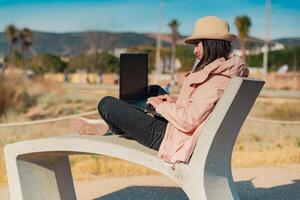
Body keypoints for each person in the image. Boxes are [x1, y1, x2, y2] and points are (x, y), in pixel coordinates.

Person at [71, 16, 249, 165]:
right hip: (181, 131)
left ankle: (115, 126)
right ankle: (126, 120)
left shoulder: (217, 79)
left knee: (107, 104)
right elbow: (197, 110)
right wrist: (171, 103)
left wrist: (160, 107)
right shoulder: (226, 72)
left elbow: (189, 121)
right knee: (154, 90)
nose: (195, 50)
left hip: (173, 138)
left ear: (211, 43)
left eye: (197, 43)